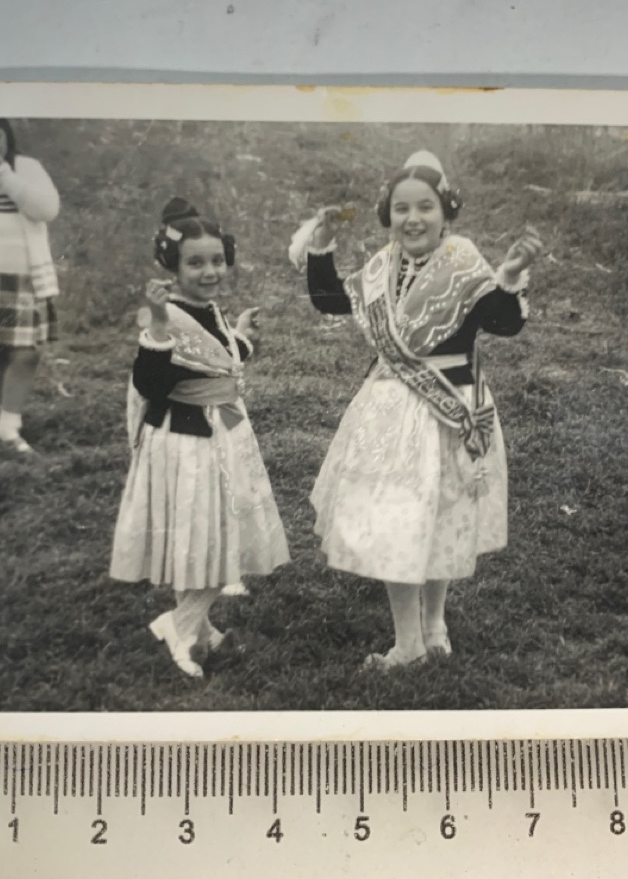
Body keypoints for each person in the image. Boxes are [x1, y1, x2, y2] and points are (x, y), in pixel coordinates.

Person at [289, 150, 542, 670]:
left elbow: (502, 321)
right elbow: (334, 300)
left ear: (445, 212)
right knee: (398, 520)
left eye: (425, 206)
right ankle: (409, 641)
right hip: (390, 415)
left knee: (440, 517)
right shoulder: (384, 267)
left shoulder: (464, 260)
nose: (413, 219)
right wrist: (319, 250)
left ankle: (434, 626)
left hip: (449, 408)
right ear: (389, 215)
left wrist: (510, 275)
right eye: (401, 208)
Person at [111, 198, 290, 678]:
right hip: (188, 439)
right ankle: (181, 623)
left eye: (216, 260)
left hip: (223, 426)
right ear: (172, 266)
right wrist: (157, 326)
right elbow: (152, 382)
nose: (209, 271)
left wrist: (242, 337)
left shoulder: (206, 310)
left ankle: (201, 627)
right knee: (215, 534)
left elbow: (215, 362)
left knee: (212, 532)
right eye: (195, 262)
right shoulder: (167, 315)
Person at [0, 118, 62, 454]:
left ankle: (9, 423)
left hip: (20, 275)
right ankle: (6, 423)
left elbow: (46, 210)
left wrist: (2, 172)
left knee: (25, 352)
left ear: (7, 137)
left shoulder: (25, 167)